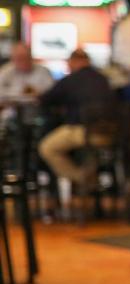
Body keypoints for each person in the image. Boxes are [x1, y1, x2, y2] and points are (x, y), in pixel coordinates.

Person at [37, 49, 117, 188]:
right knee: (90, 151)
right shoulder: (103, 79)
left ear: (74, 62)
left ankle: (82, 178)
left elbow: (46, 99)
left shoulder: (71, 80)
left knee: (47, 148)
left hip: (84, 132)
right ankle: (89, 179)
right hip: (110, 134)